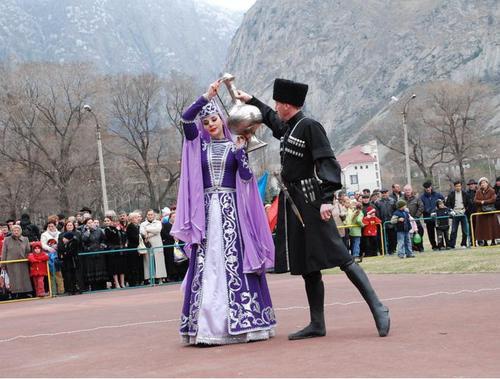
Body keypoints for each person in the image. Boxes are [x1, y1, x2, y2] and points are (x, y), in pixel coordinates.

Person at [235, 78, 389, 339]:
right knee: (308, 263)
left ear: (286, 105)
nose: (275, 106)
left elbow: (327, 162)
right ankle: (317, 323)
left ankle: (378, 307)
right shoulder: (288, 127)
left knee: (342, 257)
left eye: (277, 102)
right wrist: (251, 101)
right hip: (293, 202)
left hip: (312, 200)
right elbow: (271, 119)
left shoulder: (310, 126)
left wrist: (327, 199)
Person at [171, 79, 276, 345]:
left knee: (235, 259)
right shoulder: (199, 146)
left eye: (214, 120)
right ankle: (207, 327)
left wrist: (241, 153)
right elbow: (186, 120)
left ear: (223, 120)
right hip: (206, 212)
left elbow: (245, 177)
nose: (210, 125)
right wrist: (206, 97)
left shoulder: (235, 147)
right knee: (207, 263)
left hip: (232, 212)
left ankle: (247, 322)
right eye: (206, 123)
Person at [1, 225, 33, 298]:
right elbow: (4, 252)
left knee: (24, 279)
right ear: (12, 231)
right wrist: (3, 264)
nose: (16, 232)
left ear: (20, 231)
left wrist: (27, 259)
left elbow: (28, 250)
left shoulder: (25, 239)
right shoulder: (7, 240)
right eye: (14, 230)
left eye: (17, 230)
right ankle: (14, 294)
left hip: (22, 262)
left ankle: (24, 293)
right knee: (13, 279)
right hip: (11, 263)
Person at [140, 210, 167, 284]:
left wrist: (148, 230)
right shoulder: (143, 224)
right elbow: (142, 232)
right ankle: (150, 278)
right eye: (148, 214)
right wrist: (152, 231)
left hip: (158, 244)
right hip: (147, 245)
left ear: (154, 215)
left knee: (159, 262)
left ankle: (160, 278)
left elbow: (158, 230)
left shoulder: (158, 222)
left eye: (151, 214)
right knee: (148, 261)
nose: (150, 216)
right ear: (146, 215)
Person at [103, 212, 127, 289]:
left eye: (117, 222)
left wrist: (120, 231)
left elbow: (123, 237)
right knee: (114, 268)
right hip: (113, 250)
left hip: (121, 250)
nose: (115, 223)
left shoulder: (120, 229)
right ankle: (116, 283)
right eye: (114, 221)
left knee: (122, 267)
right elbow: (110, 237)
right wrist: (116, 230)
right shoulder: (108, 229)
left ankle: (122, 283)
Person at [473, 177, 500, 246]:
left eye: (484, 182)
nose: (483, 184)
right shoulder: (478, 191)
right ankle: (484, 241)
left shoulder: (492, 190)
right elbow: (475, 200)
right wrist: (481, 202)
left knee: (492, 227)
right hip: (481, 211)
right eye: (481, 183)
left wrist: (484, 202)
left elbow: (493, 199)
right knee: (482, 228)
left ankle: (493, 240)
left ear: (487, 183)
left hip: (490, 211)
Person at [420, 181, 445, 251]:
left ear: (431, 187)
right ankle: (434, 246)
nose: (428, 189)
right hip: (428, 218)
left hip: (437, 217)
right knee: (430, 233)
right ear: (424, 189)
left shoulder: (438, 195)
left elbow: (443, 202)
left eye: (429, 187)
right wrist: (428, 211)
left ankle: (441, 245)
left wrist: (438, 210)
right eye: (426, 188)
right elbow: (421, 206)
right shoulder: (422, 197)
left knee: (439, 232)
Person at [445, 180, 470, 249]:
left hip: (463, 214)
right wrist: (451, 211)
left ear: (461, 186)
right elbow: (447, 204)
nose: (458, 187)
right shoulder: (451, 194)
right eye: (456, 186)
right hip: (455, 214)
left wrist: (464, 210)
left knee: (465, 230)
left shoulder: (465, 194)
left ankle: (463, 244)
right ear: (454, 187)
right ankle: (452, 245)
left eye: (459, 186)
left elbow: (468, 204)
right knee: (453, 230)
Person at [41, 221, 64, 295]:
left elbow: (61, 242)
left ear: (55, 226)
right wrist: (50, 248)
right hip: (49, 255)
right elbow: (43, 244)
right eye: (49, 226)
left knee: (59, 273)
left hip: (58, 255)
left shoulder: (59, 233)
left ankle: (61, 290)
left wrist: (57, 247)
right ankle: (53, 291)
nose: (51, 228)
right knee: (51, 273)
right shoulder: (44, 234)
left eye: (52, 226)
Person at [402, 185, 425, 252]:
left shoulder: (416, 198)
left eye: (409, 190)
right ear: (404, 191)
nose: (407, 191)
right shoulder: (401, 199)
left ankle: (420, 248)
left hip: (415, 220)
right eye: (406, 190)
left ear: (411, 190)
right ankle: (411, 248)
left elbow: (421, 207)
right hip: (406, 221)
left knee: (419, 233)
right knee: (408, 236)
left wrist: (416, 217)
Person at [375, 189, 396, 255]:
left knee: (392, 238)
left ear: (388, 193)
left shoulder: (392, 201)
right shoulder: (377, 202)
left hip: (391, 222)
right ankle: (383, 251)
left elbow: (395, 210)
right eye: (382, 193)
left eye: (385, 193)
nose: (384, 194)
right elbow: (377, 213)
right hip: (382, 222)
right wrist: (379, 221)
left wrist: (394, 219)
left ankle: (391, 250)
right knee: (382, 239)